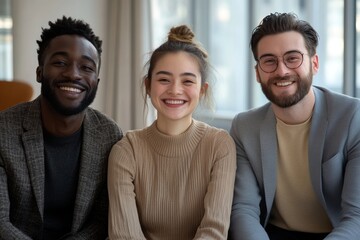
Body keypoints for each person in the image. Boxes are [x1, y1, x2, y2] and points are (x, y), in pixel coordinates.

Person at [228, 12, 360, 240]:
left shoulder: (353, 117)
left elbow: (356, 217)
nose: (281, 71)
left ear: (314, 63)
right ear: (258, 73)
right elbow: (244, 210)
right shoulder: (244, 127)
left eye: (292, 58)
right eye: (269, 61)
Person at [107, 25, 236, 240]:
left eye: (187, 81)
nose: (175, 90)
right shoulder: (126, 150)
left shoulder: (219, 145)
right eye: (164, 79)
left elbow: (214, 231)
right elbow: (124, 235)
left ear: (202, 90)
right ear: (148, 86)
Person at [0, 16, 122, 239]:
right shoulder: (3, 130)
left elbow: (103, 219)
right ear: (39, 72)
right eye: (60, 63)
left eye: (86, 67)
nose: (74, 74)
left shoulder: (109, 136)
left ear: (96, 80)